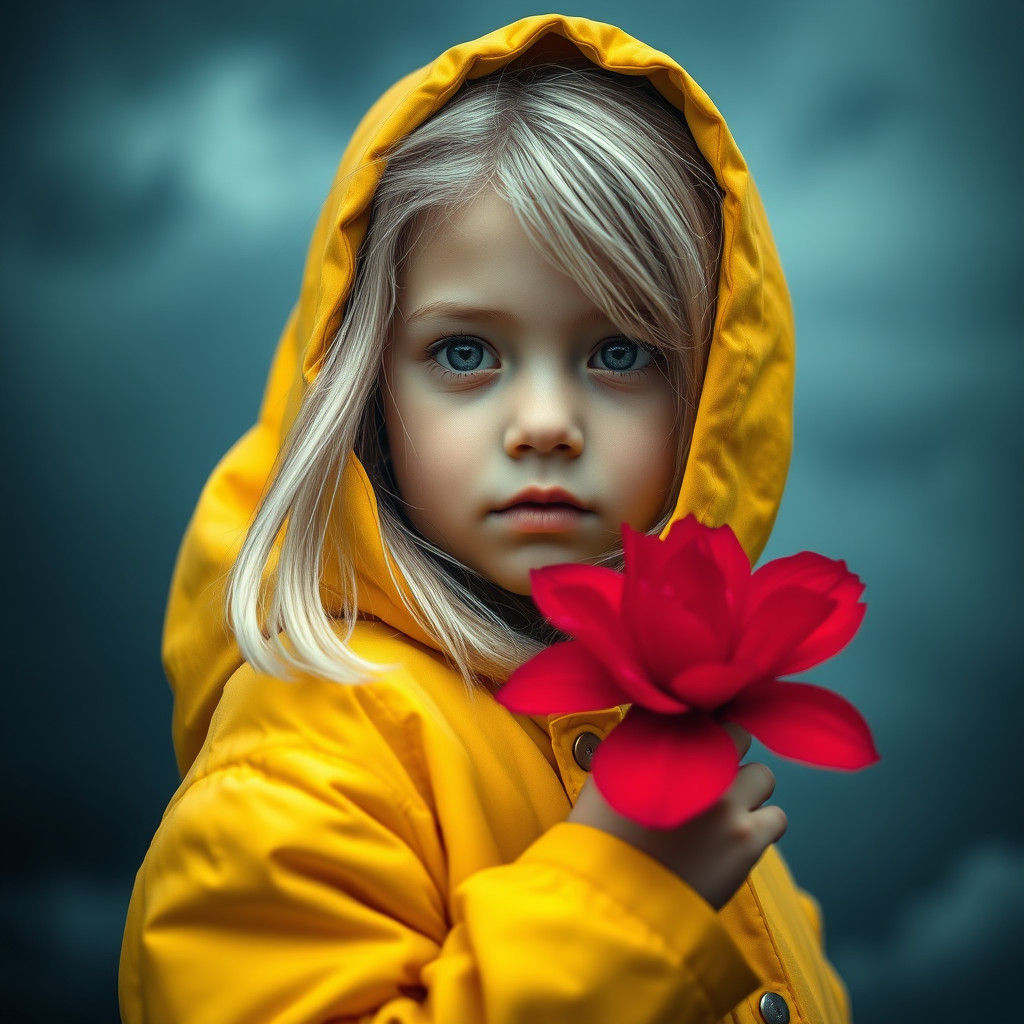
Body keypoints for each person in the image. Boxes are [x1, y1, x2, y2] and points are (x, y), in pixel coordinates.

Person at [119, 14, 852, 1024]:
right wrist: (623, 902)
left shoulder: (675, 757)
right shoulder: (306, 755)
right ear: (368, 391)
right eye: (465, 353)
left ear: (713, 399)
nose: (546, 424)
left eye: (620, 352)